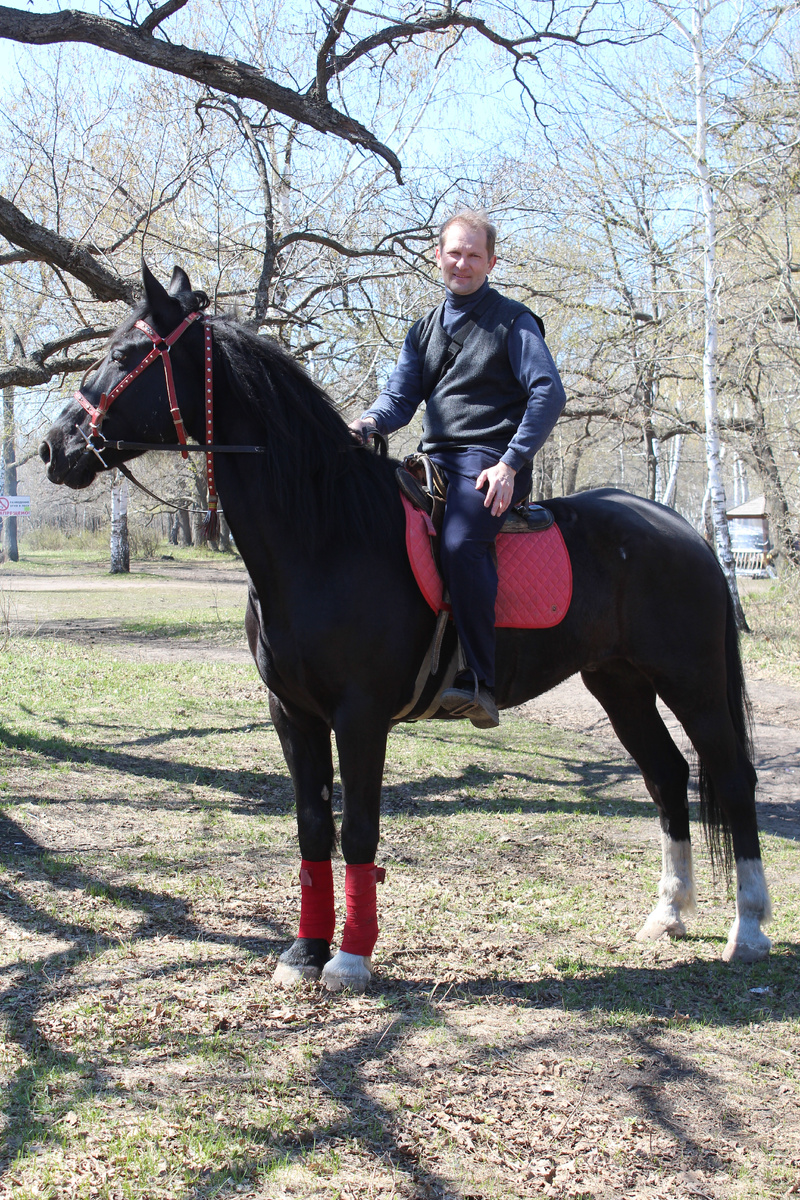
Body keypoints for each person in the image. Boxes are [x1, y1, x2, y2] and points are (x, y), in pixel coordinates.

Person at [349, 210, 566, 727]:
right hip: (435, 461)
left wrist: (512, 463)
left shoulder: (514, 322)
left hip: (492, 464)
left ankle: (479, 680)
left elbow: (548, 393)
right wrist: (365, 423)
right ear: (438, 257)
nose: (462, 263)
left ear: (491, 261)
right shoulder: (424, 328)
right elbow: (399, 399)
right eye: (454, 253)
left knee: (459, 542)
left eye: (473, 255)